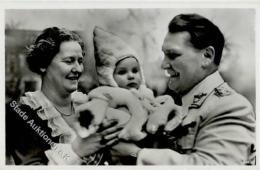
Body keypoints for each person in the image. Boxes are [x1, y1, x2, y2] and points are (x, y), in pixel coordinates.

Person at [113, 13, 256, 165]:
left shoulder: (230, 106)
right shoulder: (183, 104)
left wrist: (136, 155)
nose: (164, 65)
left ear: (207, 56)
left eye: (173, 55)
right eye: (164, 55)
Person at [6, 27, 123, 165]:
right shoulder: (20, 113)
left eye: (80, 61)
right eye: (69, 61)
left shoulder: (89, 105)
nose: (78, 69)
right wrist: (76, 150)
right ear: (44, 64)